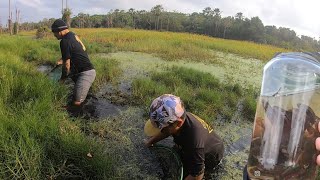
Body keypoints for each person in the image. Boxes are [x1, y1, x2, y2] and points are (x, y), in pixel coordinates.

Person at [144, 94, 224, 180]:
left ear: (178, 123)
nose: (160, 131)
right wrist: (150, 142)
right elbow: (166, 132)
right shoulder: (178, 118)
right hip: (195, 143)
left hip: (211, 155)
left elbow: (197, 175)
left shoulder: (194, 143)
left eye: (162, 129)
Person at [51, 19, 96, 108]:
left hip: (85, 74)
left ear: (59, 31)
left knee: (76, 103)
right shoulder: (72, 34)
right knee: (79, 95)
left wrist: (63, 79)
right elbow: (79, 49)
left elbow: (67, 66)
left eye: (54, 32)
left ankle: (78, 116)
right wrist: (62, 60)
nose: (54, 35)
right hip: (82, 72)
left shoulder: (64, 41)